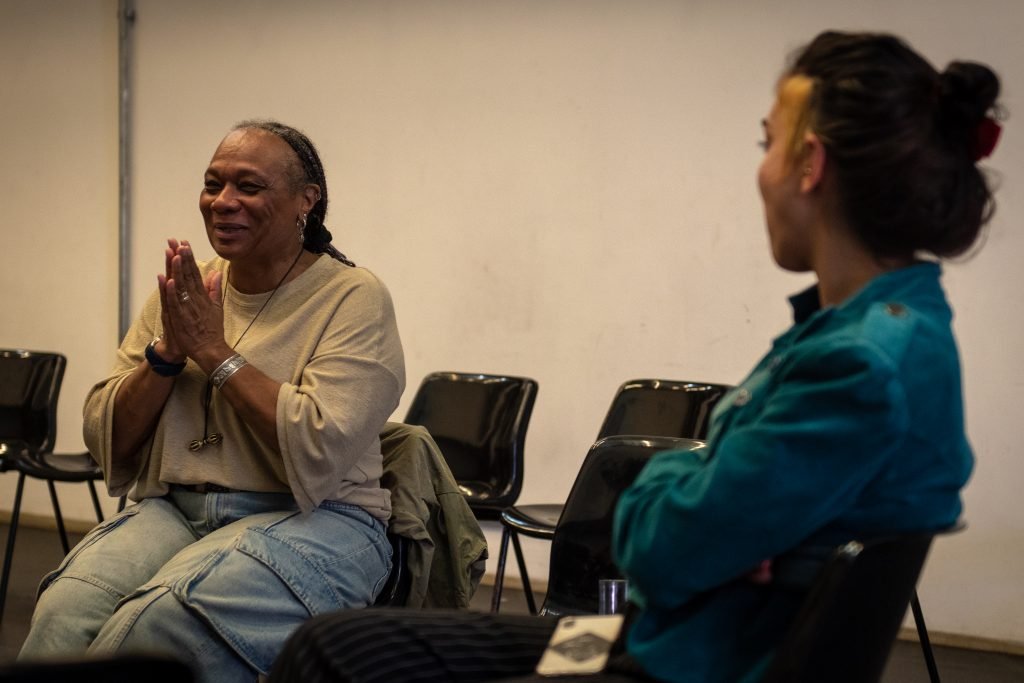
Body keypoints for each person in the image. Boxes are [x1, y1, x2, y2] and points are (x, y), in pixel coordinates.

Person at [267, 31, 1002, 683]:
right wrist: (714, 501)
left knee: (330, 656)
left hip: (676, 658)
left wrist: (679, 478)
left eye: (766, 142)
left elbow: (656, 549)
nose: (762, 170)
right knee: (343, 642)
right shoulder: (888, 331)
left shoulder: (859, 363)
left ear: (809, 163)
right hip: (654, 631)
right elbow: (702, 535)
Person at [18, 120, 406, 682]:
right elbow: (108, 438)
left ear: (306, 201)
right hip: (179, 509)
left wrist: (213, 352)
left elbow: (322, 441)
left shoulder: (353, 297)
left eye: (248, 186)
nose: (223, 202)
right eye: (212, 184)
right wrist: (167, 356)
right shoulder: (188, 289)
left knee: (160, 627)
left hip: (319, 520)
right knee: (66, 616)